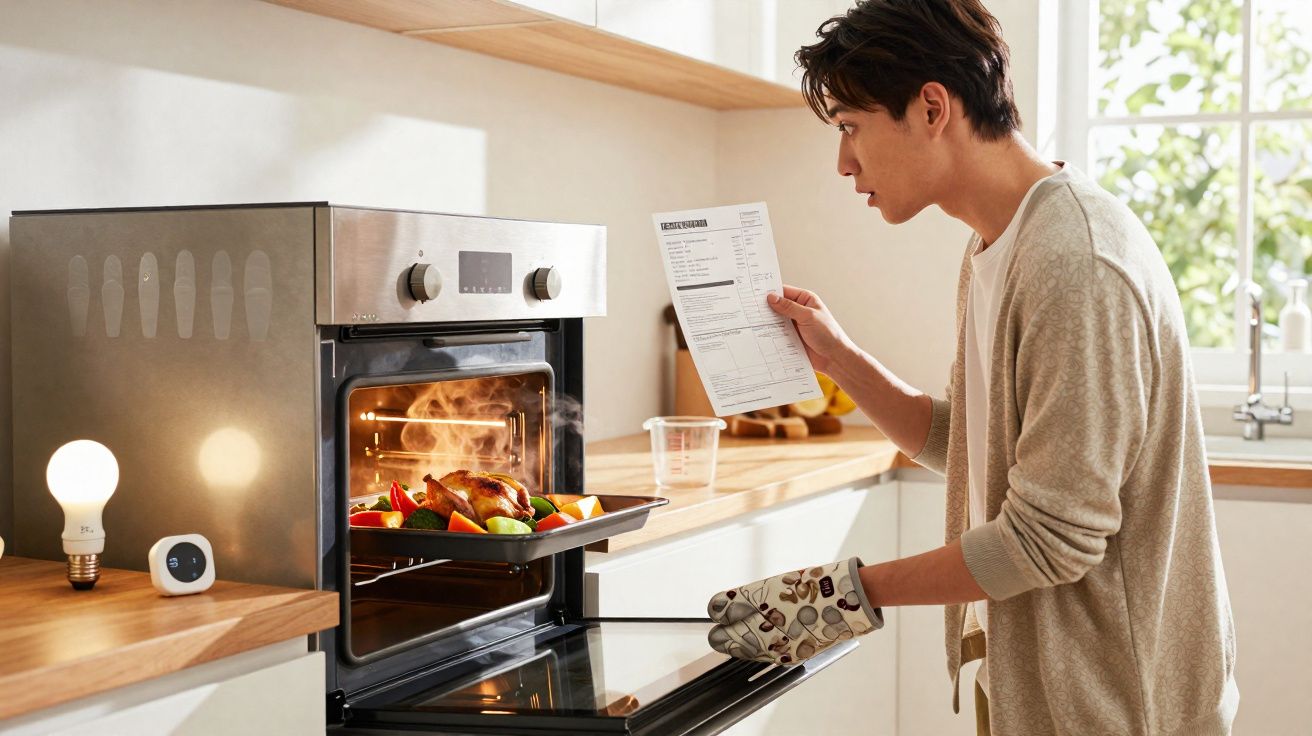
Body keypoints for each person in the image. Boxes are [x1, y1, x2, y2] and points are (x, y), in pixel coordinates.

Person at [704, 1, 1238, 734]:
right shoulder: (997, 244)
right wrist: (840, 359)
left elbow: (1050, 537)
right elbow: (974, 447)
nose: (843, 162)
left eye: (851, 127)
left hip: (1116, 702)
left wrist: (838, 595)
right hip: (1035, 682)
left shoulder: (1073, 261)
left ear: (931, 108)